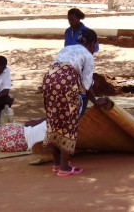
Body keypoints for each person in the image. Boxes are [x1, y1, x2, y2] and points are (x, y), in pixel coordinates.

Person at [42, 29, 107, 177]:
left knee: (53, 120)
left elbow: (58, 69)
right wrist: (94, 103)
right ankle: (64, 167)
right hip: (66, 82)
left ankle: (57, 163)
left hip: (49, 80)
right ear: (92, 43)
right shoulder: (88, 55)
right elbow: (86, 85)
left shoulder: (67, 48)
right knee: (69, 123)